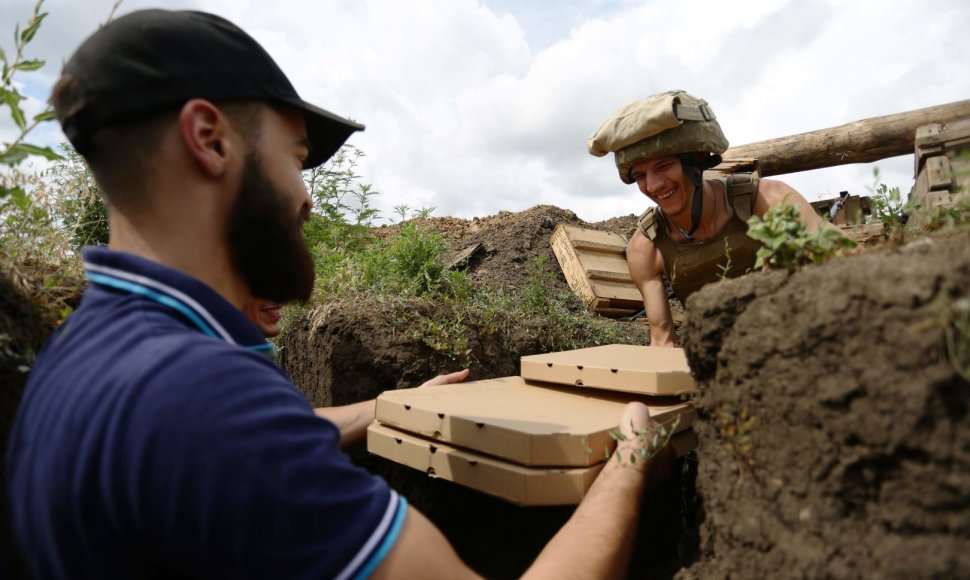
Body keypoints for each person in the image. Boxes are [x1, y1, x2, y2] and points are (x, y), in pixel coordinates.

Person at [7, 10, 670, 579]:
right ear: (209, 140)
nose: (305, 197)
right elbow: (231, 435)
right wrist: (630, 462)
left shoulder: (83, 352)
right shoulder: (205, 401)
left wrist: (386, 406)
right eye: (296, 158)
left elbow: (263, 440)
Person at [588, 90, 843, 347]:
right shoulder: (647, 246)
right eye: (640, 175)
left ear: (696, 160)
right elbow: (662, 340)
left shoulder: (766, 200)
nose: (652, 185)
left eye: (663, 166)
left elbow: (843, 258)